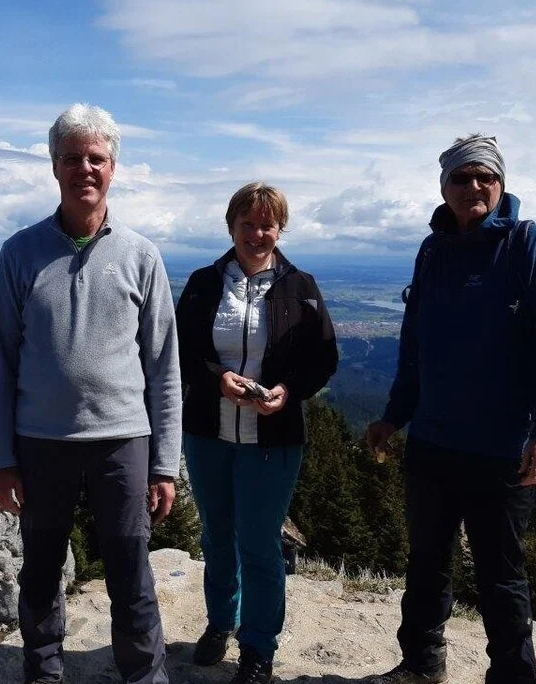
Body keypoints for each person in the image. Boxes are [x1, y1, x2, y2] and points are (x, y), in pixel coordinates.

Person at [365, 135, 536, 684]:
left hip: (502, 449)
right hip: (433, 442)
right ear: (443, 188)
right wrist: (395, 415)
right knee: (426, 564)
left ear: (502, 182)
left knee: (501, 576)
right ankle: (420, 665)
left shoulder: (532, 246)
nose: (473, 187)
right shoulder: (433, 250)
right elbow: (414, 344)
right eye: (460, 178)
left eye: (484, 176)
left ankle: (512, 677)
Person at [0, 103, 181, 684]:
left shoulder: (141, 255)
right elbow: (0, 364)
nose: (84, 169)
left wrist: (165, 464)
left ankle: (145, 678)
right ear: (54, 167)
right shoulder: (20, 253)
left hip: (123, 441)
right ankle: (43, 675)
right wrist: (1, 459)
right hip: (40, 443)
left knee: (130, 573)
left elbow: (164, 366)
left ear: (113, 168)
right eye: (72, 158)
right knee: (41, 573)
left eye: (96, 158)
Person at [176, 182, 338, 684]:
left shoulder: (301, 287)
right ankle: (221, 622)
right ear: (232, 226)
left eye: (267, 224)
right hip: (208, 431)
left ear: (280, 228)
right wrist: (215, 379)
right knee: (217, 535)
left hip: (274, 437)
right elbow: (179, 349)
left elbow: (324, 358)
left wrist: (288, 392)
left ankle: (258, 646)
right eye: (247, 223)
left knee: (261, 542)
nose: (257, 233)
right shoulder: (204, 283)